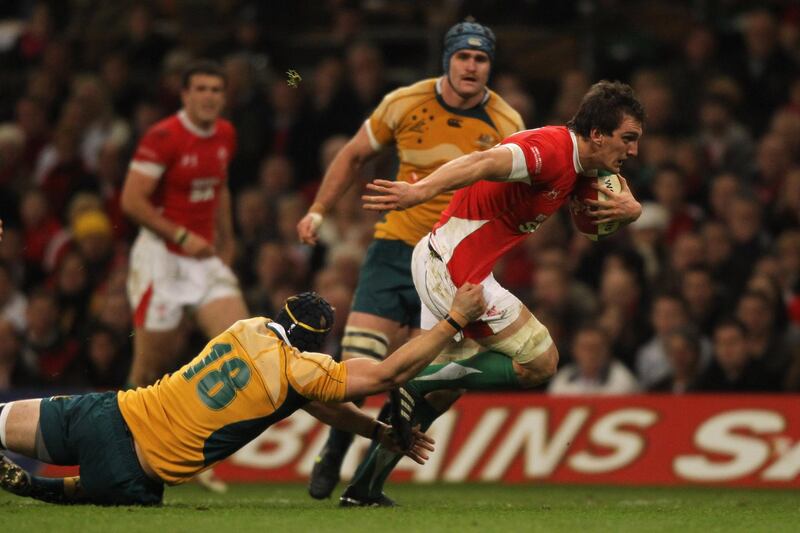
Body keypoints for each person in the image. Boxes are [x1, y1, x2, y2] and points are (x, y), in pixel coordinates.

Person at [348, 80, 644, 505]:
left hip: (444, 261)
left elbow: (614, 187)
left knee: (446, 391)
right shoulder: (549, 149)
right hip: (454, 268)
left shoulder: (584, 163)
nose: (633, 151)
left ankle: (363, 487)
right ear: (598, 134)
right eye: (628, 139)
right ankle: (416, 381)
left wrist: (634, 208)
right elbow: (482, 161)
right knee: (541, 362)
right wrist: (419, 191)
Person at [296, 21, 524, 500]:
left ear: (490, 66)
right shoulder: (404, 102)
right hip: (394, 249)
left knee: (417, 382)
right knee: (360, 357)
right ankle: (335, 448)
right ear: (447, 59)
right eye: (464, 57)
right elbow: (353, 154)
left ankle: (368, 473)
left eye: (481, 59)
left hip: (453, 262)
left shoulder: (507, 124)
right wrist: (318, 210)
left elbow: (519, 194)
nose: (471, 66)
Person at [0, 285, 486, 506]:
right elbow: (385, 375)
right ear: (317, 343)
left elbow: (318, 404)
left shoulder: (246, 328)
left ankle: (29, 482)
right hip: (132, 467)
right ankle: (35, 487)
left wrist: (377, 430)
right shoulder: (300, 370)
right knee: (115, 490)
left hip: (107, 410)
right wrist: (454, 319)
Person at [120, 60, 248, 491]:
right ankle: (117, 451)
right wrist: (180, 235)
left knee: (243, 348)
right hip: (162, 259)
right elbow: (132, 201)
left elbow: (221, 188)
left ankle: (194, 452)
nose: (209, 96)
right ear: (185, 95)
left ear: (224, 96)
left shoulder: (226, 134)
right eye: (201, 89)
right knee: (147, 372)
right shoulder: (163, 137)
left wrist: (227, 242)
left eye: (216, 89)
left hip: (205, 258)